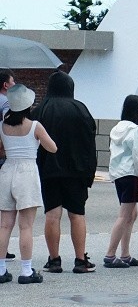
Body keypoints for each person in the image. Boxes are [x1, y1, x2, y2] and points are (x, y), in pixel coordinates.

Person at [34, 71, 97, 274]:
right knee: (77, 214)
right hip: (77, 171)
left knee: (52, 214)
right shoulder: (80, 109)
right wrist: (90, 172)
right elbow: (90, 143)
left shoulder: (41, 110)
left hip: (48, 170)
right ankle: (80, 260)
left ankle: (54, 260)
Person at [0, 84, 57, 284]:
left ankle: (1, 270)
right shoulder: (35, 126)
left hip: (7, 171)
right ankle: (26, 270)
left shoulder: (2, 126)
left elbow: (1, 150)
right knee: (26, 226)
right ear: (28, 105)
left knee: (4, 225)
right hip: (27, 172)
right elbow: (53, 148)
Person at [103, 95, 138, 268]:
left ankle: (125, 254)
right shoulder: (136, 130)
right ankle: (110, 254)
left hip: (119, 174)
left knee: (131, 214)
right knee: (125, 215)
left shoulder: (117, 128)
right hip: (132, 175)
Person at [0, 69, 15, 172]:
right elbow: (7, 125)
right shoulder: (7, 102)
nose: (15, 84)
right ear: (6, 85)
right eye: (13, 81)